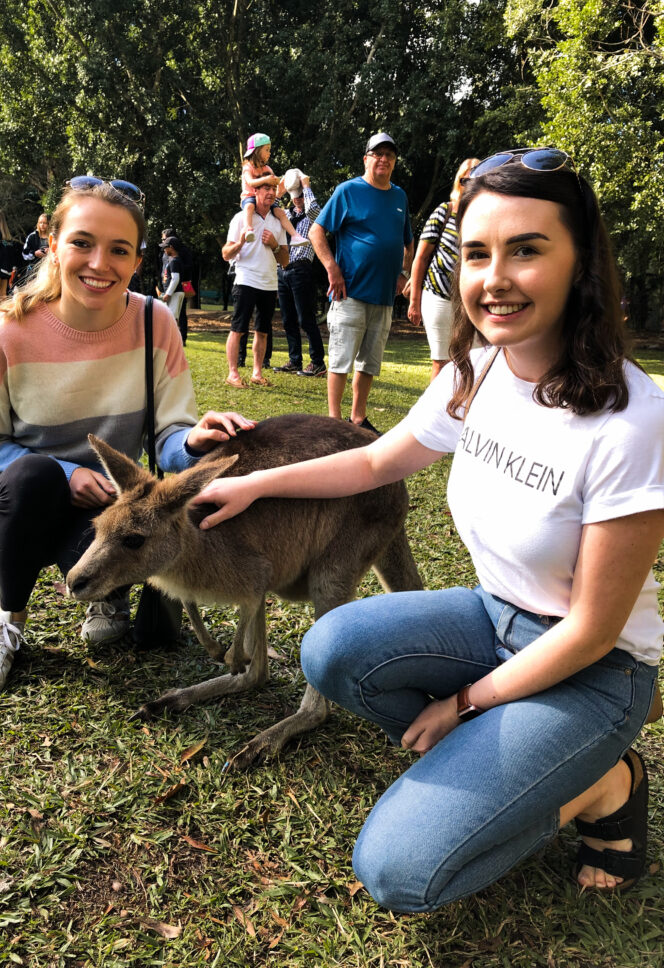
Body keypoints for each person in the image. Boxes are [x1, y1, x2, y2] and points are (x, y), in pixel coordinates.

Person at [192, 149, 664, 908]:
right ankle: (516, 765)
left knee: (400, 873)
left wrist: (466, 704)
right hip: (494, 616)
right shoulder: (475, 373)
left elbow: (593, 631)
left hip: (597, 668)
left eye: (527, 250)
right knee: (329, 649)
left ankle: (603, 782)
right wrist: (253, 483)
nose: (494, 277)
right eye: (478, 252)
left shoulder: (631, 419)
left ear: (580, 263)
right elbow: (374, 461)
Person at [0, 178, 254, 694]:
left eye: (119, 250)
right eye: (82, 243)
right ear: (53, 245)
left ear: (137, 261)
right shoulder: (6, 332)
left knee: (151, 571)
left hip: (116, 506)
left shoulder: (153, 322)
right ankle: (7, 618)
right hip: (21, 502)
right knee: (33, 476)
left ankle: (106, 591)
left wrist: (194, 442)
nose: (100, 263)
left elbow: (168, 435)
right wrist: (67, 473)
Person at [308, 132, 414, 433]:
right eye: (377, 154)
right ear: (366, 158)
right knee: (341, 359)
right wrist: (332, 268)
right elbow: (317, 232)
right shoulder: (348, 191)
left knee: (369, 363)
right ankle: (333, 421)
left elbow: (408, 241)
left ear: (394, 162)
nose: (384, 159)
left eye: (389, 155)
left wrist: (403, 273)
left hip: (383, 297)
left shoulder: (399, 197)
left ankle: (357, 418)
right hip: (349, 292)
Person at [407, 158, 479, 379]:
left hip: (472, 300)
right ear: (459, 181)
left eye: (478, 177)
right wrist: (414, 301)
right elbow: (420, 257)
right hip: (439, 296)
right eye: (466, 178)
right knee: (442, 361)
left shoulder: (483, 217)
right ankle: (439, 412)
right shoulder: (444, 211)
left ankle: (466, 410)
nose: (471, 182)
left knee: (474, 360)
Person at [222, 181, 289, 387]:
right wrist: (241, 242)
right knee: (238, 328)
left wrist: (275, 245)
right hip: (246, 280)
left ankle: (257, 373)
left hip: (269, 283)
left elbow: (285, 260)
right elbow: (226, 254)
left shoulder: (278, 221)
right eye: (265, 189)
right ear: (255, 192)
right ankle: (233, 373)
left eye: (273, 189)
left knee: (263, 330)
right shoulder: (241, 218)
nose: (270, 192)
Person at [275, 172, 327, 377]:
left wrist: (306, 185)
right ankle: (295, 360)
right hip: (283, 269)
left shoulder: (315, 216)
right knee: (288, 319)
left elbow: (314, 209)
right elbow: (272, 211)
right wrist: (279, 193)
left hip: (302, 268)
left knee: (306, 318)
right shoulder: (287, 215)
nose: (297, 198)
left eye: (300, 195)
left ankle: (317, 362)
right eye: (294, 195)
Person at [240, 133, 305, 246]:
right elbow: (250, 182)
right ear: (257, 151)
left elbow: (274, 181)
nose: (269, 153)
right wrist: (266, 180)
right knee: (249, 207)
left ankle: (295, 236)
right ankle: (248, 229)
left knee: (280, 212)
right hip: (250, 197)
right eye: (267, 150)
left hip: (264, 200)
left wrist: (281, 180)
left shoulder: (267, 168)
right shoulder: (248, 168)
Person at [158, 235, 188, 344]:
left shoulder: (175, 261)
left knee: (171, 317)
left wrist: (168, 293)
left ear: (171, 247)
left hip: (175, 293)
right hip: (175, 292)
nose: (164, 249)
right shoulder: (174, 260)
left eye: (165, 247)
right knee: (172, 316)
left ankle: (172, 341)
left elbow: (175, 279)